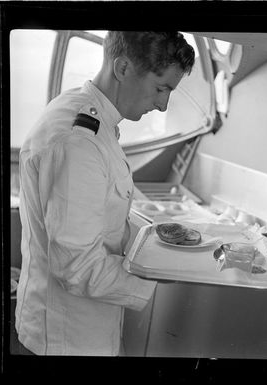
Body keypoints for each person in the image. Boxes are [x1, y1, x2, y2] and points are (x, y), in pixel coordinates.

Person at [16, 31, 195, 356]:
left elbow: (102, 225)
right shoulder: (79, 143)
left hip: (83, 328)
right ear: (123, 68)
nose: (162, 103)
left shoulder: (89, 119)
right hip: (65, 340)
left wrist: (155, 244)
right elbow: (77, 267)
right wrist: (160, 272)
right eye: (161, 87)